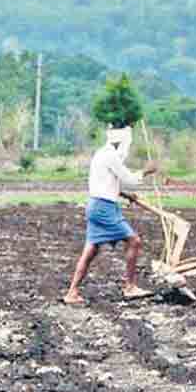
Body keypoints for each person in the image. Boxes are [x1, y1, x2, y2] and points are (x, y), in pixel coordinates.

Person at [63, 125, 159, 305]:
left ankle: (72, 292)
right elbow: (129, 179)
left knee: (91, 250)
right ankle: (130, 287)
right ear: (121, 142)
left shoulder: (100, 154)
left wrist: (124, 194)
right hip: (104, 208)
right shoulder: (110, 156)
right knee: (134, 241)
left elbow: (106, 181)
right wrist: (146, 171)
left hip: (96, 205)